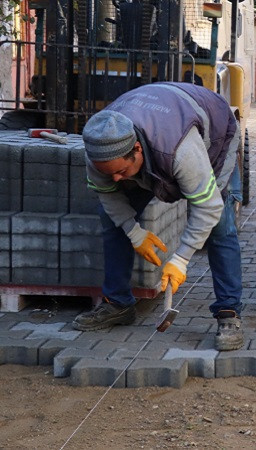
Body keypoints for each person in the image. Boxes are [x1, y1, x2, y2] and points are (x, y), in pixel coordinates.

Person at [72, 81, 245, 351]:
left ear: (137, 150)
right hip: (158, 121)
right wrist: (133, 231)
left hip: (214, 134)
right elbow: (108, 194)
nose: (115, 179)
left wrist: (181, 258)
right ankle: (118, 303)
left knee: (220, 226)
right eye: (109, 173)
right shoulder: (100, 150)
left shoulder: (179, 150)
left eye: (121, 172)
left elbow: (207, 207)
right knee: (111, 219)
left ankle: (228, 313)